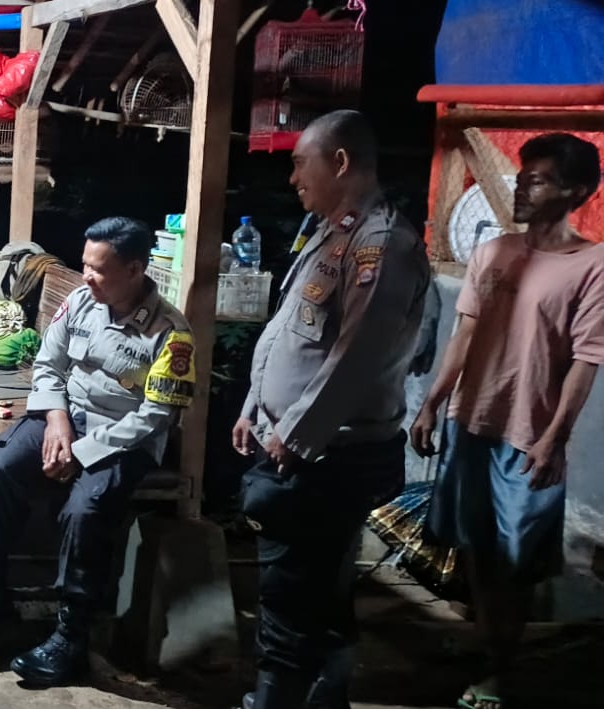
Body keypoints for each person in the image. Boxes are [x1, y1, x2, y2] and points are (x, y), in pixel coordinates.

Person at [0, 217, 195, 687]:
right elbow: (48, 366)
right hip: (65, 416)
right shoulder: (79, 301)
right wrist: (56, 420)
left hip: (123, 438)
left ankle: (72, 634)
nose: (87, 276)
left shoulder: (170, 332)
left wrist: (81, 450)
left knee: (85, 509)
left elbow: (156, 416)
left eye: (99, 269)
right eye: (85, 265)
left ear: (134, 270)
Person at [233, 110, 430, 709]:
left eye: (300, 164)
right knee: (319, 585)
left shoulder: (381, 244)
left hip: (330, 453)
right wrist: (254, 407)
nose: (293, 178)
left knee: (291, 589)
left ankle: (278, 698)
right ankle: (325, 693)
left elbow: (357, 354)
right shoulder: (330, 231)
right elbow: (288, 333)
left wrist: (294, 434)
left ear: (340, 162)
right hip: (299, 442)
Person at [410, 133, 604, 709]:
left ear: (576, 192)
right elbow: (464, 335)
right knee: (475, 549)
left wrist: (555, 438)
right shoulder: (493, 253)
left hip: (529, 435)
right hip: (470, 422)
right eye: (521, 179)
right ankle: (487, 647)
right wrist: (432, 403)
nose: (521, 190)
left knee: (515, 563)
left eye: (536, 181)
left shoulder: (591, 266)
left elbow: (585, 361)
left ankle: (500, 671)